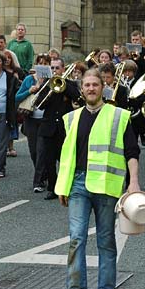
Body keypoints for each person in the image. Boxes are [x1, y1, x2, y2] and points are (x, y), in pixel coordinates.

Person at [55, 69, 140, 289]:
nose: (91, 88)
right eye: (87, 85)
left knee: (106, 240)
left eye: (95, 84)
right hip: (78, 185)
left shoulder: (119, 116)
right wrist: (63, 185)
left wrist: (133, 182)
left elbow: (131, 152)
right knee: (76, 238)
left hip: (106, 185)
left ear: (103, 87)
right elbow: (66, 155)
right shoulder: (71, 118)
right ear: (81, 89)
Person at [37, 58, 81, 200]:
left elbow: (77, 97)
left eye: (57, 68)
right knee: (49, 161)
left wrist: (64, 86)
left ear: (63, 69)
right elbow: (40, 104)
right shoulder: (47, 85)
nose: (55, 71)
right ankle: (52, 187)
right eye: (53, 68)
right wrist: (50, 90)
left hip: (64, 128)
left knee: (64, 160)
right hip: (48, 127)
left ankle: (66, 187)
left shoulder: (70, 84)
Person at [16, 63, 48, 193]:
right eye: (40, 63)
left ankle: (38, 181)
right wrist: (30, 90)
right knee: (33, 151)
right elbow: (16, 97)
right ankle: (43, 174)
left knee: (41, 150)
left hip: (45, 120)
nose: (43, 66)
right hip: (30, 119)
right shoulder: (29, 79)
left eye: (46, 63)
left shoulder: (51, 81)